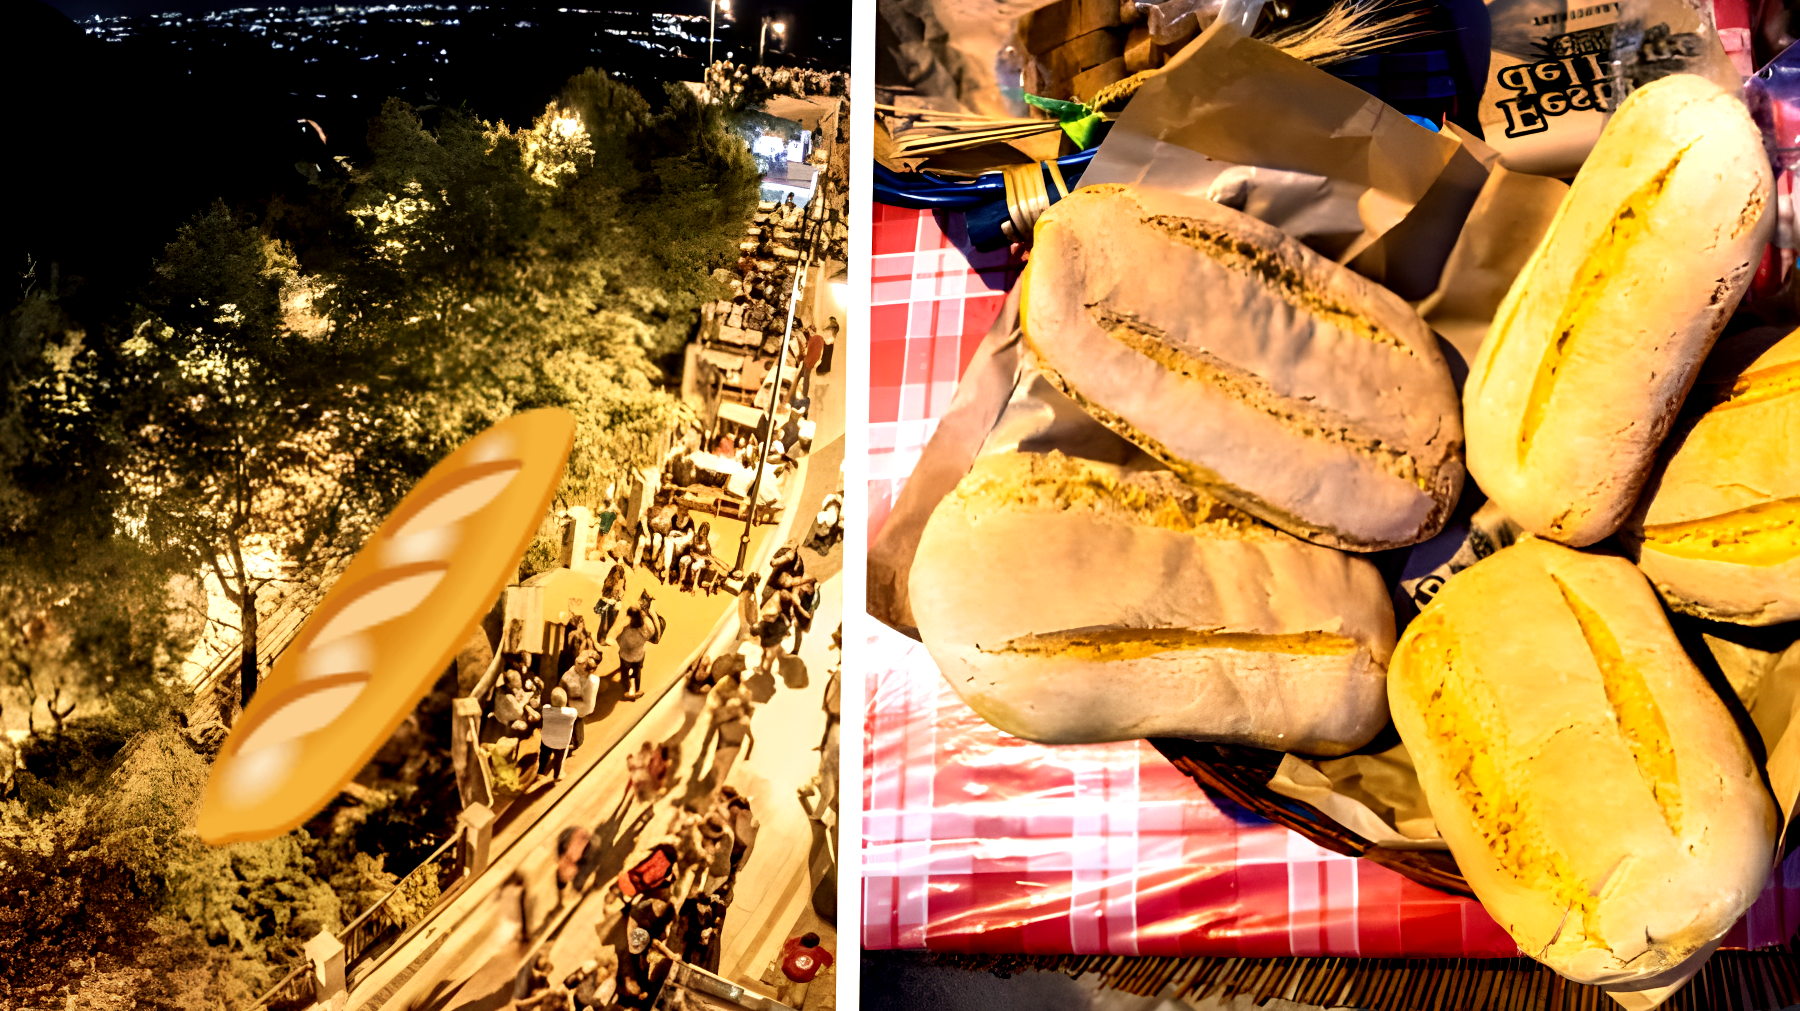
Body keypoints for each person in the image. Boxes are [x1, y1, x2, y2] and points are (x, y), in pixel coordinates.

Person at [612, 597, 665, 701]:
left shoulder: (628, 632)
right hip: (639, 654)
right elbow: (652, 632)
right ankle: (636, 690)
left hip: (626, 656)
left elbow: (620, 642)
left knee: (625, 673)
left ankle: (627, 691)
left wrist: (621, 629)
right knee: (637, 672)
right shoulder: (648, 624)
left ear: (631, 617)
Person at [705, 697, 754, 789]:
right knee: (715, 766)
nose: (730, 711)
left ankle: (715, 791)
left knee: (723, 771)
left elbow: (751, 739)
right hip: (722, 745)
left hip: (732, 748)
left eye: (732, 710)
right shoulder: (725, 718)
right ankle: (707, 786)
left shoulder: (744, 722)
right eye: (729, 709)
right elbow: (718, 730)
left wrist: (747, 755)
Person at [559, 649, 601, 752]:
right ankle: (568, 744)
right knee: (571, 725)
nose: (585, 670)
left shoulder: (591, 678)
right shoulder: (569, 676)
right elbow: (564, 690)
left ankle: (574, 743)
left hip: (579, 709)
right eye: (583, 666)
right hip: (570, 707)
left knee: (578, 726)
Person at [540, 687, 577, 783]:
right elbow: (572, 711)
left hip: (547, 740)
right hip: (561, 743)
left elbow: (547, 707)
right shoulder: (571, 713)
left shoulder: (546, 710)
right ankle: (557, 775)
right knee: (558, 760)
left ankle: (541, 771)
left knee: (544, 754)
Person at [751, 599, 790, 679]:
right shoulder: (782, 623)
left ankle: (761, 667)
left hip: (770, 635)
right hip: (771, 635)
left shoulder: (781, 624)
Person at [594, 561, 628, 640]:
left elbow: (605, 592)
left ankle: (602, 637)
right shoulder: (621, 581)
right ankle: (606, 637)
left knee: (604, 623)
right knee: (611, 622)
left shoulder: (608, 580)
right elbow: (620, 594)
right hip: (612, 604)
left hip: (605, 602)